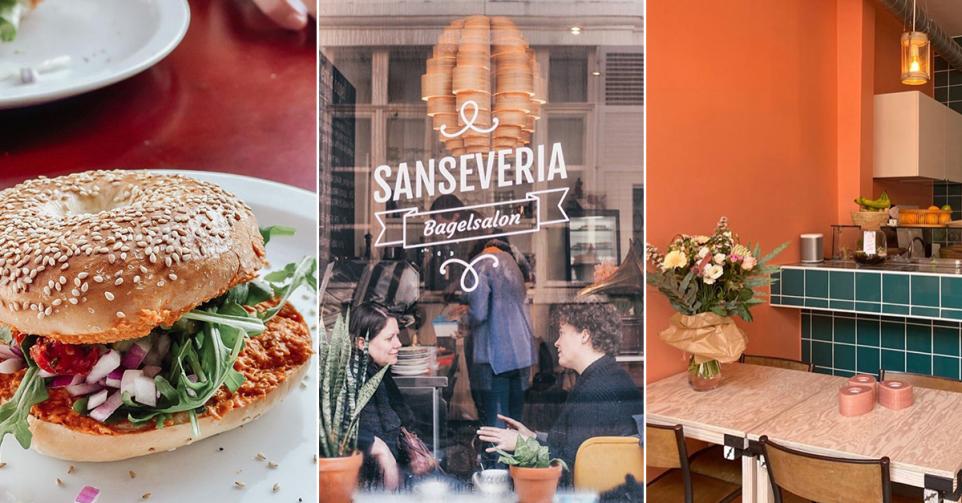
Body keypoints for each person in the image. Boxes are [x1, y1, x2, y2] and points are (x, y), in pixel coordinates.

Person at [476, 302, 643, 479]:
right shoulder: (604, 376)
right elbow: (575, 446)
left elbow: (569, 466)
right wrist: (532, 436)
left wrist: (522, 444)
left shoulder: (598, 389)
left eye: (562, 333)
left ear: (584, 335)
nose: (556, 342)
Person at [352, 303, 436, 490]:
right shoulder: (351, 376)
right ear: (361, 343)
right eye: (390, 338)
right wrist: (380, 449)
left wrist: (416, 450)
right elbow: (337, 429)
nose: (398, 344)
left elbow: (402, 416)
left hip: (401, 469)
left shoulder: (381, 369)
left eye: (397, 335)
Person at [463, 238, 536, 435]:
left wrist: (462, 318)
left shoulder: (480, 264)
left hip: (495, 356)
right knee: (514, 421)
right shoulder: (513, 264)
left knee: (496, 422)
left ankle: (496, 465)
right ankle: (515, 464)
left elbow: (478, 312)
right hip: (520, 352)